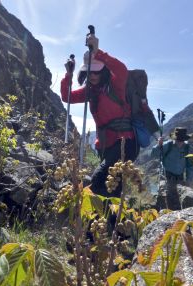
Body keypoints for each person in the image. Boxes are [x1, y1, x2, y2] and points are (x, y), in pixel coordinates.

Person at [60, 34, 140, 197]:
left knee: (98, 181)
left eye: (97, 72)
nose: (94, 76)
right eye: (90, 73)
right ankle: (112, 220)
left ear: (104, 71)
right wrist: (68, 74)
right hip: (106, 145)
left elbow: (121, 69)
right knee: (113, 186)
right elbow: (66, 97)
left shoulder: (115, 85)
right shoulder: (90, 91)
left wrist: (97, 52)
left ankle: (101, 218)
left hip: (125, 142)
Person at [151, 127, 193, 210]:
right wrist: (159, 145)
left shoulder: (187, 148)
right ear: (175, 138)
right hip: (166, 178)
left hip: (180, 179)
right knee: (166, 202)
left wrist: (189, 181)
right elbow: (153, 154)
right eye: (178, 140)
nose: (180, 142)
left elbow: (190, 166)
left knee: (178, 204)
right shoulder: (168, 145)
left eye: (182, 140)